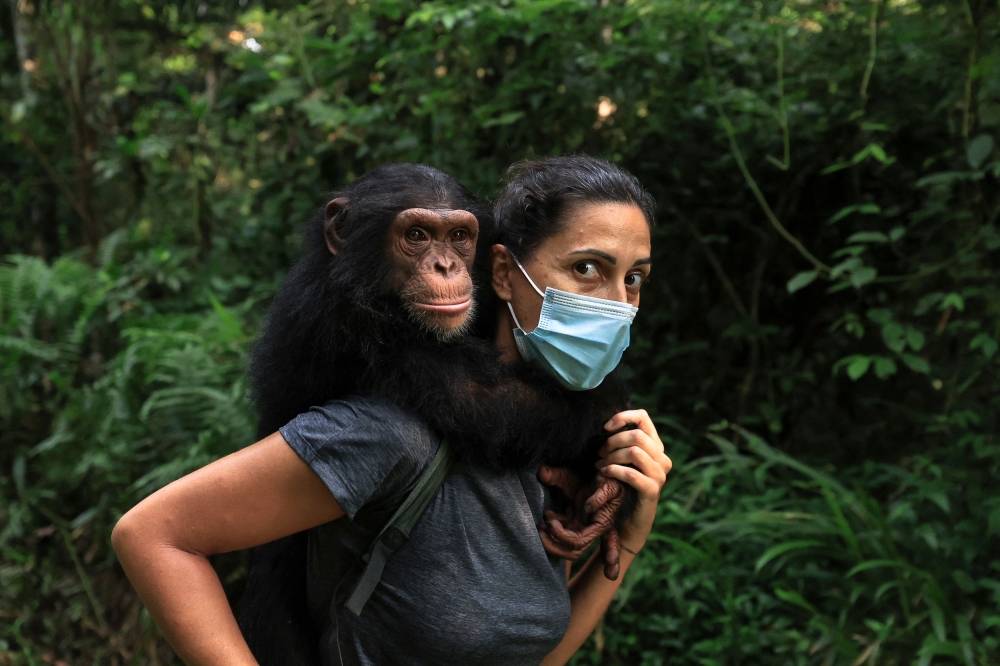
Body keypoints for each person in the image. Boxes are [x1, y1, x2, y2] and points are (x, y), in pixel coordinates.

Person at [112, 155, 671, 666]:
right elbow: (489, 411)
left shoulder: (530, 456)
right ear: (504, 271)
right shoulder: (375, 389)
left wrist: (627, 517)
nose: (616, 304)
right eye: (585, 270)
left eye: (635, 278)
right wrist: (600, 429)